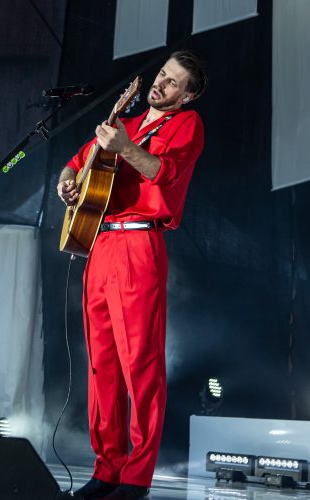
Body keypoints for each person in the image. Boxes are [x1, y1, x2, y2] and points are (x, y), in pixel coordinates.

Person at [57, 50, 208, 500]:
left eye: (174, 82)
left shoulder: (187, 124)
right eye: (163, 75)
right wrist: (67, 180)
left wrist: (125, 148)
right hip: (100, 242)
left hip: (140, 244)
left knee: (140, 364)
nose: (162, 84)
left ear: (189, 94)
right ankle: (107, 469)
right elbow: (78, 159)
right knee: (102, 363)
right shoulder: (127, 120)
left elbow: (164, 172)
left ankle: (137, 478)